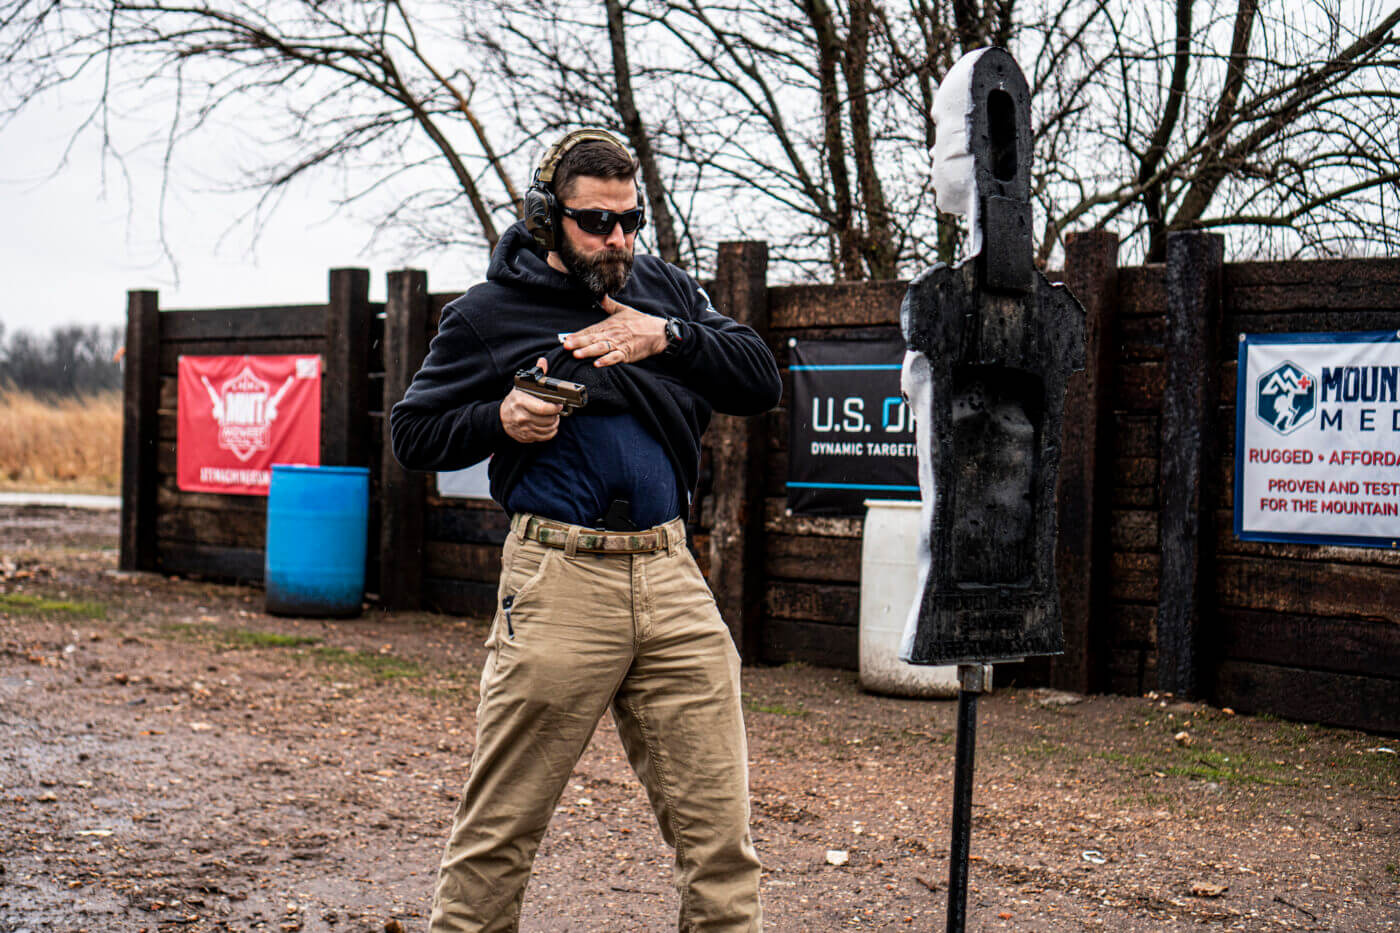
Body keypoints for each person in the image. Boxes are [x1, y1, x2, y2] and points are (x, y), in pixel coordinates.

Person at [389, 128, 781, 932]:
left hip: (672, 575)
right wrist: (498, 416)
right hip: (559, 577)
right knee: (500, 832)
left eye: (631, 220)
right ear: (546, 218)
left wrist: (662, 336)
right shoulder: (488, 313)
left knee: (722, 842)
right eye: (596, 222)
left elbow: (758, 377)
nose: (618, 239)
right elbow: (413, 433)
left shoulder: (664, 291)